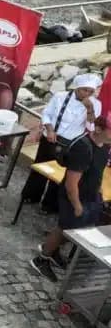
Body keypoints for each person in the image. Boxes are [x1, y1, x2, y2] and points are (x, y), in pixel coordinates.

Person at [30, 116, 111, 282]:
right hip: (74, 197)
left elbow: (98, 172)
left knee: (72, 231)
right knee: (64, 229)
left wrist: (99, 192)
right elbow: (71, 183)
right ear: (99, 129)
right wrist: (77, 205)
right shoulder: (83, 148)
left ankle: (54, 253)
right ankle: (42, 259)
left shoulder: (104, 146)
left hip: (90, 195)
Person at [22, 74, 102, 213]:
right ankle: (31, 195)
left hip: (71, 144)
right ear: (77, 88)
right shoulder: (60, 96)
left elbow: (91, 127)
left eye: (90, 91)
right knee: (40, 167)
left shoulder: (95, 104)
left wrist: (89, 109)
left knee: (59, 175)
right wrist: (50, 130)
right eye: (84, 90)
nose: (87, 94)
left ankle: (49, 205)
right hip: (51, 137)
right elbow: (47, 113)